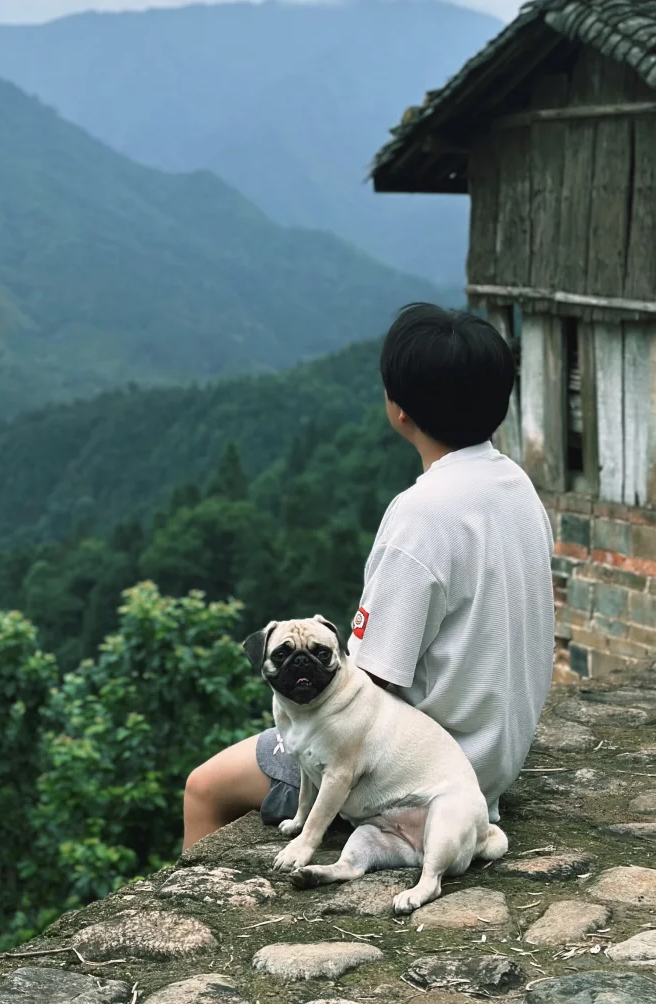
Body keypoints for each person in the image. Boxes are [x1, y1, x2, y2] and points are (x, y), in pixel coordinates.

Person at [182, 302, 555, 850]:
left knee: (203, 788)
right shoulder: (517, 487)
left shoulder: (422, 516)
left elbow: (366, 683)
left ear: (397, 409)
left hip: (413, 774)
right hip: (493, 762)